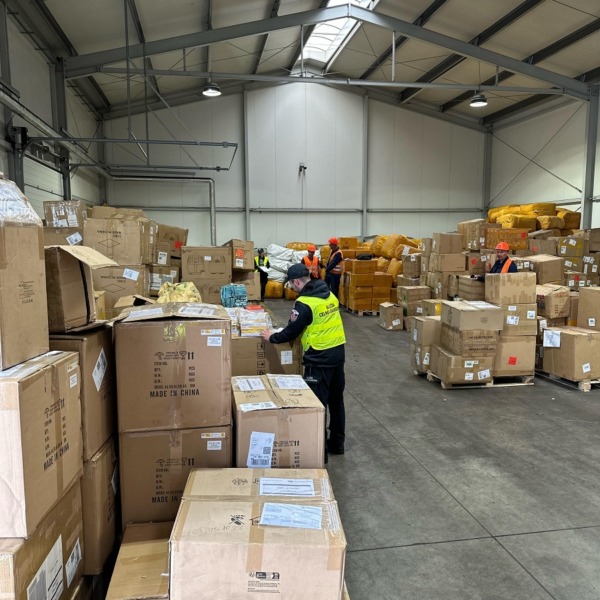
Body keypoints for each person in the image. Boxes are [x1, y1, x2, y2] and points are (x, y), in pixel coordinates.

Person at [261, 263, 346, 460]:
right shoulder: (329, 293)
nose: (292, 288)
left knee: (318, 406)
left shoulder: (305, 303)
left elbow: (291, 331)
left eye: (292, 285)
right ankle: (337, 444)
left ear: (297, 282)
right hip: (337, 355)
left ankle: (320, 453)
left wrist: (272, 337)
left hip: (319, 359)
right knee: (336, 402)